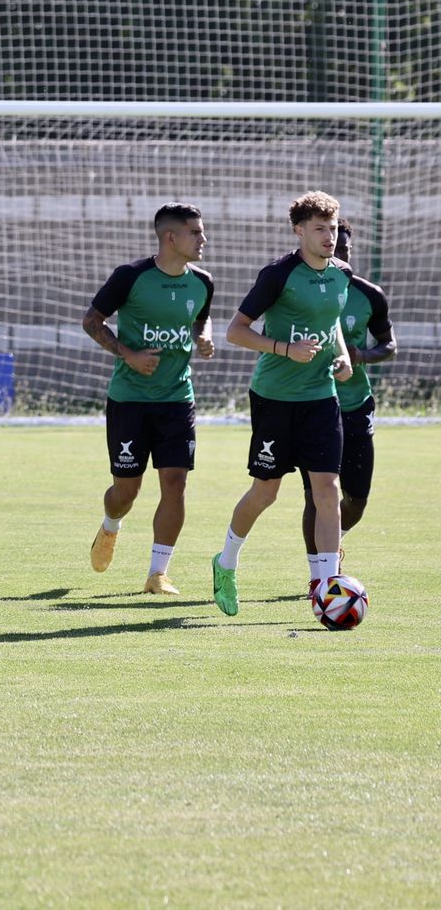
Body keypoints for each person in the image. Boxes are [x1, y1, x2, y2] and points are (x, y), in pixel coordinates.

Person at [212, 191, 353, 618]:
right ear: (299, 231)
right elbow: (235, 331)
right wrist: (283, 348)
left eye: (332, 228)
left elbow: (330, 324)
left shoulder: (342, 273)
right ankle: (226, 561)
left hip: (321, 398)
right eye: (319, 229)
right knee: (266, 492)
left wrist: (342, 354)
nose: (329, 237)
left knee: (327, 490)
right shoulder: (278, 275)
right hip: (274, 398)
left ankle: (327, 587)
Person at [81, 203, 215, 593]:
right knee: (126, 491)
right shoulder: (130, 277)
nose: (203, 239)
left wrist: (201, 337)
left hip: (177, 399)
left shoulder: (203, 281)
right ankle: (110, 525)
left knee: (175, 484)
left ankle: (158, 573)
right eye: (196, 233)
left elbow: (200, 318)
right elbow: (92, 321)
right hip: (129, 400)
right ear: (170, 237)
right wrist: (129, 355)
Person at [297, 219, 395, 577]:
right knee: (317, 495)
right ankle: (320, 577)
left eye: (342, 248)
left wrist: (360, 355)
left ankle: (330, 543)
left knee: (356, 501)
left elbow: (389, 345)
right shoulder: (297, 288)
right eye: (329, 245)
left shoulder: (369, 294)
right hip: (312, 404)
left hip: (355, 406)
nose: (336, 253)